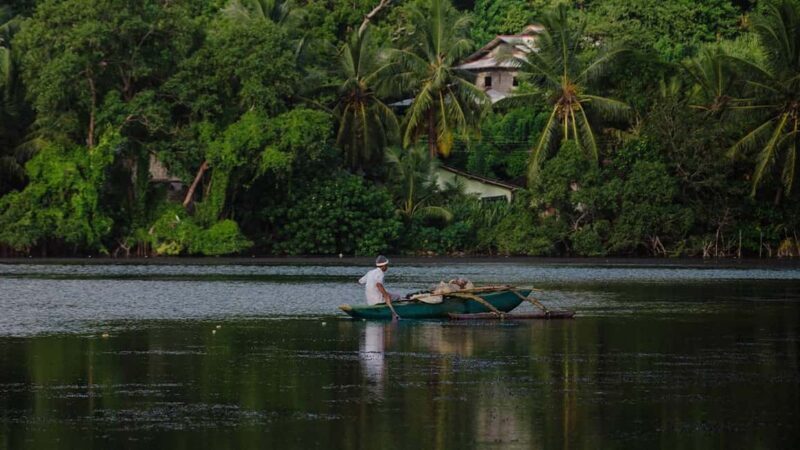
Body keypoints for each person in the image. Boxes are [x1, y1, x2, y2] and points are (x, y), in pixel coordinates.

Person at [359, 255, 401, 320]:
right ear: (383, 266)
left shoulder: (370, 272)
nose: (387, 267)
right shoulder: (381, 273)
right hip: (378, 300)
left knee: (389, 294)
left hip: (370, 301)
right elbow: (379, 285)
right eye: (386, 266)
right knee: (398, 296)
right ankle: (397, 310)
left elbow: (360, 281)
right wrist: (386, 295)